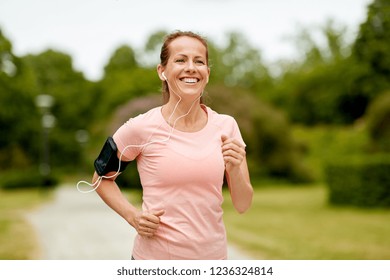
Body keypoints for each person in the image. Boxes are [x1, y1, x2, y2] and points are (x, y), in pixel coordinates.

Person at [92, 30, 253, 260]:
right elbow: (100, 178)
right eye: (180, 60)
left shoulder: (227, 127)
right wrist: (132, 216)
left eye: (199, 61)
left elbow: (243, 204)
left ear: (207, 73)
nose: (191, 67)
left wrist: (236, 168)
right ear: (162, 71)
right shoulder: (140, 128)